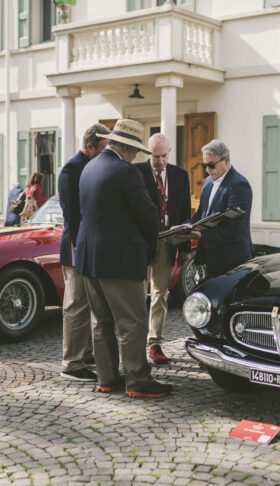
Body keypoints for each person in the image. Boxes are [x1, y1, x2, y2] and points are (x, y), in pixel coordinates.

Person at [75, 118, 171, 398]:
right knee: (133, 322)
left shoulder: (89, 167)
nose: (135, 157)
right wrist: (151, 247)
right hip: (119, 258)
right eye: (136, 152)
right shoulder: (126, 172)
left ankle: (106, 378)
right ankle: (138, 381)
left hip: (89, 257)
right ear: (128, 148)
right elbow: (148, 216)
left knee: (101, 321)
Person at [57, 123, 110, 382]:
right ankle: (72, 363)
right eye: (102, 149)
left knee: (88, 303)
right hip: (76, 246)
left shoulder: (91, 166)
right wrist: (83, 249)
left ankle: (85, 353)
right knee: (76, 304)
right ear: (89, 147)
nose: (105, 153)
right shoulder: (71, 170)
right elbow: (74, 217)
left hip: (89, 246)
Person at [135, 133, 191, 366]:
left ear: (170, 152)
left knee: (160, 293)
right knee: (137, 294)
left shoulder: (180, 175)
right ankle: (135, 343)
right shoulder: (136, 172)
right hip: (141, 242)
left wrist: (185, 247)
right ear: (148, 153)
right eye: (155, 157)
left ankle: (154, 343)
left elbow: (185, 212)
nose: (159, 161)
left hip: (168, 241)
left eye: (163, 156)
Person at [187, 139, 253, 277]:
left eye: (211, 165)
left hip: (232, 259)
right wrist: (185, 226)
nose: (207, 170)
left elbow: (233, 226)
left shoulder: (239, 184)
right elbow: (201, 214)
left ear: (226, 160)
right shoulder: (208, 182)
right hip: (210, 257)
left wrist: (200, 235)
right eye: (204, 166)